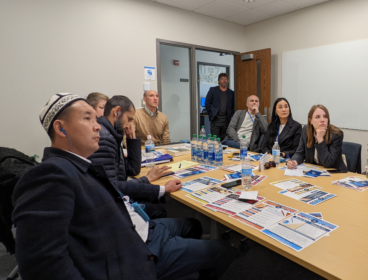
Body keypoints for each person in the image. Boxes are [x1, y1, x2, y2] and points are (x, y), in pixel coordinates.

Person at [12, 93, 237, 280]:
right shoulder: (48, 174)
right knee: (224, 251)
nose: (98, 127)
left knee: (193, 226)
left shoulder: (80, 165)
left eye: (95, 118)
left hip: (140, 231)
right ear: (61, 129)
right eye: (88, 119)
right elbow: (41, 263)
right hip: (132, 254)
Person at [88, 95, 172, 219]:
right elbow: (113, 187)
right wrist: (153, 183)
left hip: (117, 198)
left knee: (155, 203)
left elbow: (133, 169)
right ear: (116, 112)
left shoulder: (113, 135)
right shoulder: (105, 138)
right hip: (114, 206)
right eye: (129, 119)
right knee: (159, 209)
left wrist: (132, 138)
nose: (130, 125)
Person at [287, 104, 348, 172]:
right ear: (310, 121)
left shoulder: (336, 135)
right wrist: (294, 161)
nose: (322, 120)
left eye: (325, 116)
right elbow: (300, 153)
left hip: (335, 174)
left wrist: (320, 139)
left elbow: (328, 163)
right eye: (318, 117)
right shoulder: (306, 130)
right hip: (315, 171)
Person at [205, 73, 235, 141]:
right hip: (215, 119)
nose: (224, 80)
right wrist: (211, 114)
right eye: (222, 79)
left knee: (225, 140)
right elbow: (207, 102)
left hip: (226, 121)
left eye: (226, 79)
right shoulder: (213, 90)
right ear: (219, 80)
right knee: (215, 140)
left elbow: (233, 106)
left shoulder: (231, 93)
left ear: (228, 80)